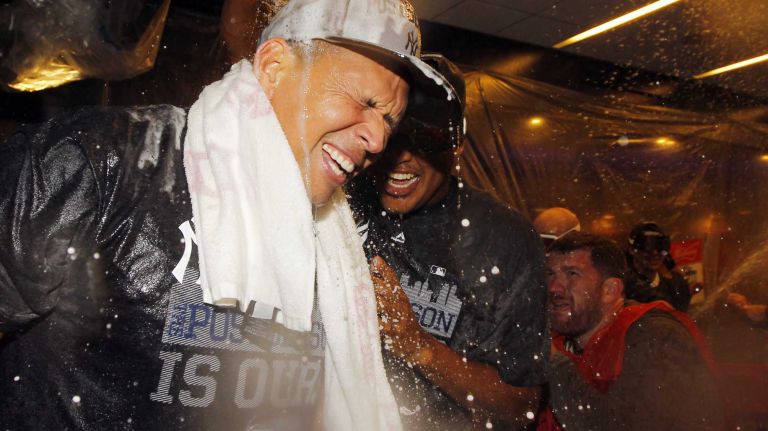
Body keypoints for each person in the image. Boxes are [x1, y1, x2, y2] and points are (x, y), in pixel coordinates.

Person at [0, 1, 462, 430]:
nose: (378, 142)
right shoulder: (105, 163)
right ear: (274, 68)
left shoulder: (341, 246)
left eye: (389, 121)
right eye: (365, 102)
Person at [348, 55, 547, 430]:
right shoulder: (339, 200)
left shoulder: (504, 241)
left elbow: (520, 408)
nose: (400, 157)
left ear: (456, 146)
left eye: (423, 139)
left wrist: (415, 345)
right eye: (392, 133)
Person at [540, 232, 725, 430]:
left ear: (610, 290)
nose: (553, 288)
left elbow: (624, 425)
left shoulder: (657, 337)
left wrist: (555, 364)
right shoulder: (560, 339)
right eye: (550, 274)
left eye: (572, 274)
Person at [625, 222, 692, 311]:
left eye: (661, 246)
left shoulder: (677, 287)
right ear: (631, 250)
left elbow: (682, 319)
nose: (655, 253)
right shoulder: (623, 288)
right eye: (647, 246)